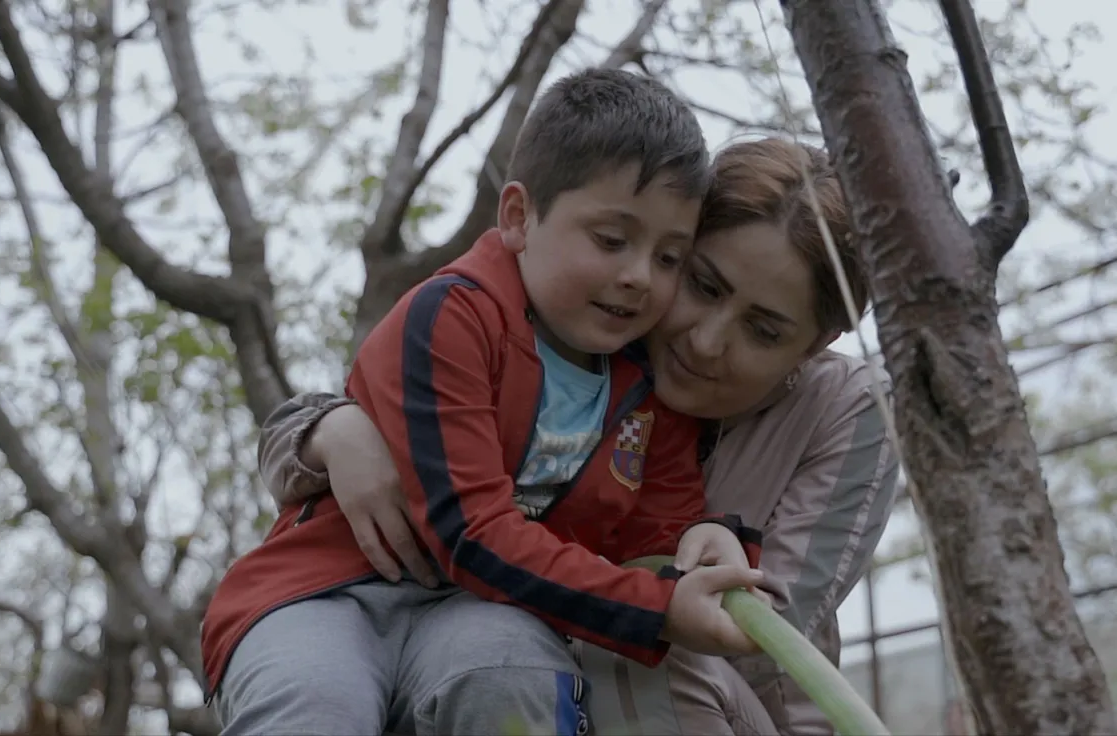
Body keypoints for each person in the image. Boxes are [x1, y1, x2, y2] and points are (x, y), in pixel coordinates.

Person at [260, 138, 901, 735]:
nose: (706, 342)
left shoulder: (847, 407)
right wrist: (326, 428)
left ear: (816, 344)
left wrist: (663, 591)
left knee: (630, 654)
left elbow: (756, 634)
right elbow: (432, 411)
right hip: (494, 659)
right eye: (702, 285)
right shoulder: (596, 331)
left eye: (762, 330)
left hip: (701, 703)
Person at [200, 67, 771, 736]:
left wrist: (705, 543)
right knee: (316, 705)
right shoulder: (451, 317)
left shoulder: (650, 388)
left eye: (669, 258)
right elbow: (470, 532)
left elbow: (656, 536)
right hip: (326, 593)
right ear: (519, 217)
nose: (638, 276)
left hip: (485, 614)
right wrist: (658, 608)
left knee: (513, 679)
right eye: (611, 240)